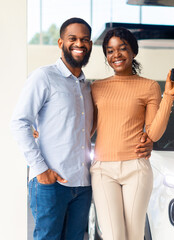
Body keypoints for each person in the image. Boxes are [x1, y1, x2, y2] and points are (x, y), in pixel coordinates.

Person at [10, 18, 152, 240]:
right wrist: (40, 170)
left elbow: (104, 124)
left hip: (83, 184)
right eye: (73, 39)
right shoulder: (44, 77)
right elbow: (19, 122)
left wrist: (147, 139)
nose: (80, 44)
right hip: (51, 182)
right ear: (60, 43)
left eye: (85, 39)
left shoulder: (88, 87)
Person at [90, 27, 174, 240]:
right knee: (114, 236)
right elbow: (87, 128)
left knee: (134, 235)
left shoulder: (149, 86)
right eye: (110, 51)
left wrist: (168, 95)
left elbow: (154, 133)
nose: (116, 55)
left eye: (122, 49)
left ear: (133, 51)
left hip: (136, 168)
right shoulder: (96, 87)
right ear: (106, 56)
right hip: (103, 170)